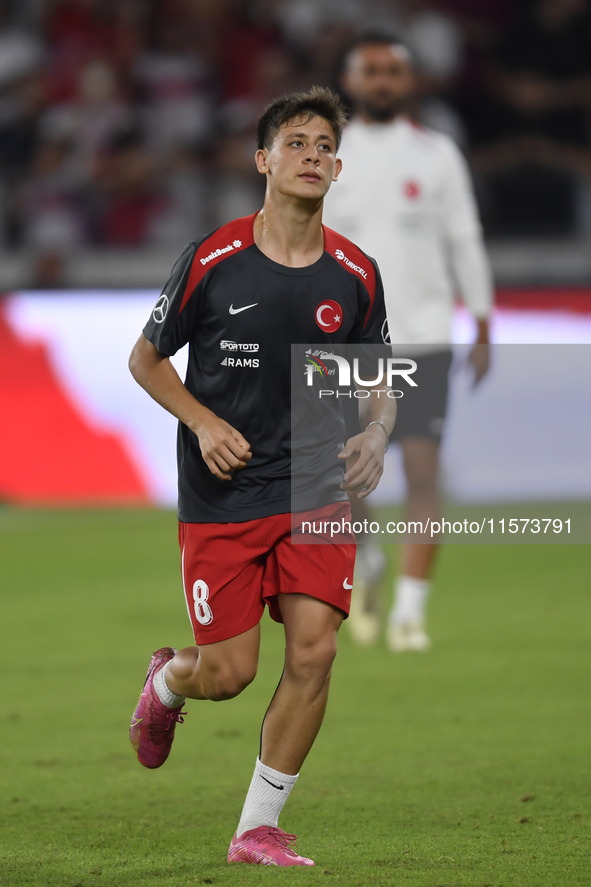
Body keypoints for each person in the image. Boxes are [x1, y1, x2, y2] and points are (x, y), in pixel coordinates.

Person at [127, 86, 395, 867]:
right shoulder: (212, 259)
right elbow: (145, 360)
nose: (311, 156)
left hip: (315, 482)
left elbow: (378, 377)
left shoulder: (356, 273)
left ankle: (257, 827)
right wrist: (203, 421)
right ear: (263, 161)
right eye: (296, 143)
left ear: (336, 168)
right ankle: (170, 682)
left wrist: (377, 430)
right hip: (225, 493)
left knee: (315, 652)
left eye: (323, 147)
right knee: (230, 672)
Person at [323, 32, 493, 651]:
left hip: (422, 336)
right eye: (372, 71)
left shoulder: (437, 153)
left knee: (423, 472)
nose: (383, 81)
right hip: (346, 342)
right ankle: (367, 561)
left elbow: (464, 237)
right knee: (348, 476)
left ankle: (409, 613)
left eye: (393, 70)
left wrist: (480, 318)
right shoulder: (329, 154)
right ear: (352, 81)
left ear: (411, 80)